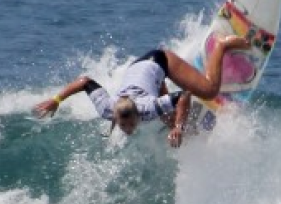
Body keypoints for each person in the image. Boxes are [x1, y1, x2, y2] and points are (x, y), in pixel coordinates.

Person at [33, 35, 250, 147]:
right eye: (124, 124)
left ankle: (222, 46)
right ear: (115, 116)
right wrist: (57, 100)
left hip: (160, 61)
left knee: (209, 91)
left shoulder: (147, 108)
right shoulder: (107, 109)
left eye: (129, 124)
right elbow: (85, 81)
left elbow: (184, 95)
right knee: (168, 121)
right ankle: (183, 126)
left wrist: (178, 127)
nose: (127, 129)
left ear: (138, 115)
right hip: (141, 73)